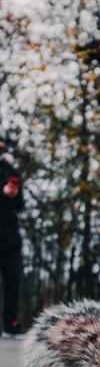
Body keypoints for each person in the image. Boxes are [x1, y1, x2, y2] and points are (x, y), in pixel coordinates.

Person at [0, 126, 26, 339]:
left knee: (13, 278)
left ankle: (11, 324)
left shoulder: (10, 171)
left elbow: (20, 205)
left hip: (9, 236)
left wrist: (14, 194)